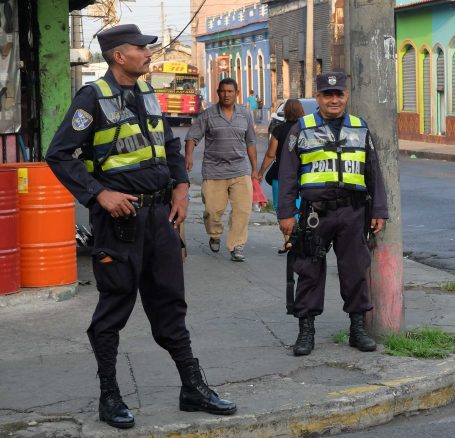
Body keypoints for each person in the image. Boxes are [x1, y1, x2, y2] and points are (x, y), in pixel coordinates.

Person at [45, 24, 236, 430]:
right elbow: (60, 155)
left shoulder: (148, 94)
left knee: (170, 303)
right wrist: (99, 194)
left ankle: (192, 386)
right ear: (119, 56)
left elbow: (168, 145)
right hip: (121, 222)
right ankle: (109, 395)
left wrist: (182, 187)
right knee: (114, 306)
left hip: (161, 217)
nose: (149, 53)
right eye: (141, 48)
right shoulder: (91, 99)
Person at [277, 71, 388, 357]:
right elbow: (288, 175)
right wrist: (286, 214)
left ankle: (357, 329)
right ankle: (306, 330)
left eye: (339, 94)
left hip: (352, 212)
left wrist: (378, 210)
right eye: (328, 95)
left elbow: (373, 172)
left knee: (355, 270)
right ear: (318, 98)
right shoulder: (301, 128)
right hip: (315, 214)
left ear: (346, 96)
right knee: (309, 271)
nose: (334, 99)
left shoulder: (359, 127)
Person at [185, 78, 258, 262]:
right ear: (218, 92)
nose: (226, 95)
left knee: (242, 210)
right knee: (212, 210)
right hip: (214, 171)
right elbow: (192, 137)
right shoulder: (208, 115)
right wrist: (189, 157)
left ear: (237, 93)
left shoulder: (245, 115)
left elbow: (250, 142)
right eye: (223, 91)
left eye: (230, 91)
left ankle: (237, 245)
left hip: (240, 170)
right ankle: (214, 234)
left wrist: (254, 169)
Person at [258, 99, 305, 252]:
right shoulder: (306, 130)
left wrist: (260, 173)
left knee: (282, 208)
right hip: (303, 175)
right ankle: (298, 239)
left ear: (285, 112)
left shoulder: (278, 130)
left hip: (281, 174)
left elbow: (270, 154)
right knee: (300, 207)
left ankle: (288, 240)